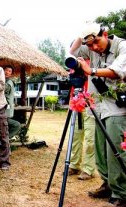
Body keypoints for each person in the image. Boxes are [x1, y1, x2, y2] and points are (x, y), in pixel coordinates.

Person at [70, 22, 126, 206]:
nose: (94, 48)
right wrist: (82, 34)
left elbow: (117, 71)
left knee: (114, 151)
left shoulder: (122, 46)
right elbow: (72, 53)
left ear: (105, 33)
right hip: (98, 106)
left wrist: (91, 70)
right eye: (89, 45)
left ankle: (121, 192)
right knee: (100, 150)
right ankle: (107, 184)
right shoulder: (91, 48)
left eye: (96, 42)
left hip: (117, 107)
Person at [68, 110, 96, 180]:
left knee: (90, 141)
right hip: (76, 108)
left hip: (91, 108)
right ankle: (74, 165)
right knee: (74, 138)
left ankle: (88, 169)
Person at [4, 65, 21, 139]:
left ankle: (5, 139)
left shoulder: (8, 82)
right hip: (5, 109)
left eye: (9, 71)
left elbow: (2, 91)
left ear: (11, 74)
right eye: (6, 70)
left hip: (5, 110)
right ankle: (4, 139)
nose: (7, 72)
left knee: (15, 125)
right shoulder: (5, 81)